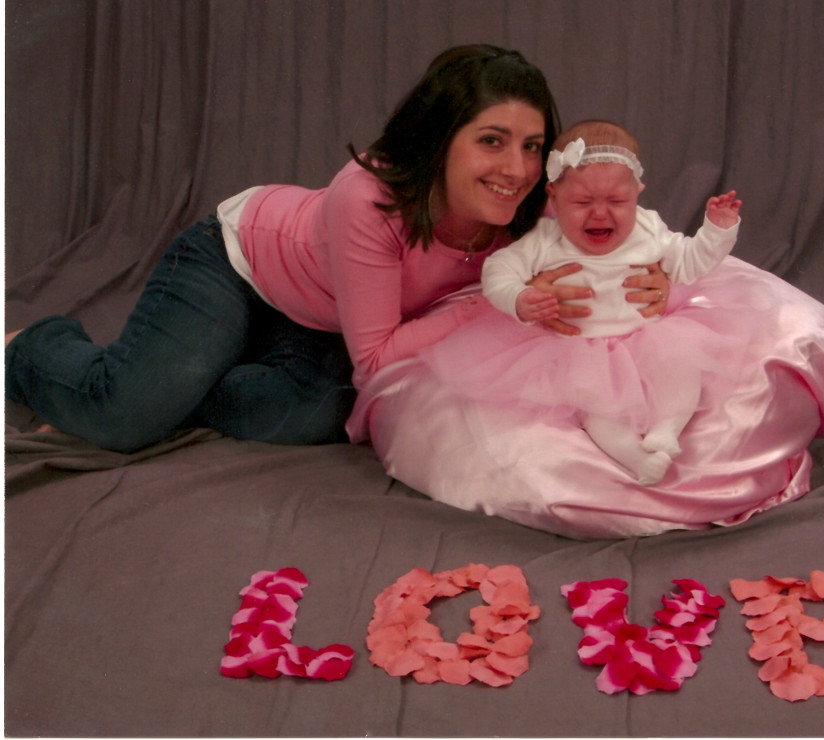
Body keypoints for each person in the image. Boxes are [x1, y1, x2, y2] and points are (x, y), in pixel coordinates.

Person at [5, 45, 674, 454]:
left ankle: (191, 374)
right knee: (123, 416)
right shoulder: (369, 196)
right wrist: (499, 304)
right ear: (440, 140)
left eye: (532, 146)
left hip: (327, 322)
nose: (517, 169)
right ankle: (28, 346)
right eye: (491, 141)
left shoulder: (532, 205)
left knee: (319, 415)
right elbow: (377, 358)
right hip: (239, 266)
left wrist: (658, 280)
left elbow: (623, 236)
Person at [421, 120, 741, 485]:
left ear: (637, 192)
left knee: (682, 368)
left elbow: (689, 263)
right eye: (582, 202)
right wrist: (519, 298)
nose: (600, 213)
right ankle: (635, 458)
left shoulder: (648, 229)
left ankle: (668, 429)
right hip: (581, 352)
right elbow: (498, 269)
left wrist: (717, 230)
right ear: (554, 196)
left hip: (646, 338)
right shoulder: (545, 240)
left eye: (617, 201)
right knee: (598, 411)